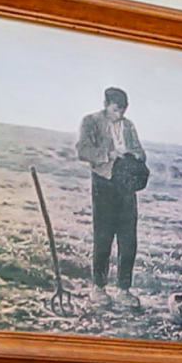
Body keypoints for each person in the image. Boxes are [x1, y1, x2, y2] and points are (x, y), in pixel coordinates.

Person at [75, 88, 148, 295]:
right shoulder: (91, 121)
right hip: (104, 182)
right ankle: (99, 288)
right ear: (106, 104)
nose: (121, 114)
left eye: (124, 110)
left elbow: (141, 151)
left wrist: (136, 156)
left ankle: (124, 289)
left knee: (128, 239)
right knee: (103, 237)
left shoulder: (129, 125)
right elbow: (82, 150)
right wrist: (109, 154)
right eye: (117, 109)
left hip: (126, 183)